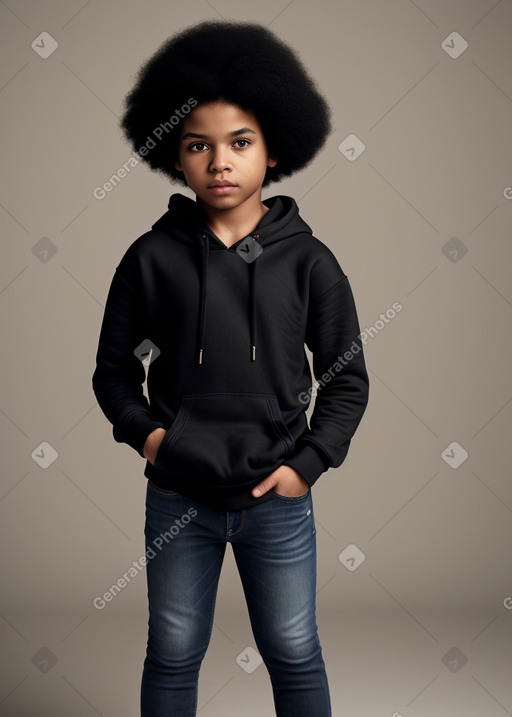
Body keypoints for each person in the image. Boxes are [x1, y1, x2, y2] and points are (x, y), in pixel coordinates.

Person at [92, 20, 369, 717]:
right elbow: (112, 371)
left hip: (276, 497)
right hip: (178, 495)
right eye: (199, 145)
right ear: (176, 158)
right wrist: (151, 438)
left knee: (294, 646)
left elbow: (348, 378)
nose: (220, 161)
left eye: (239, 142)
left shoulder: (312, 262)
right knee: (174, 649)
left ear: (273, 150)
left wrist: (308, 464)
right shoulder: (149, 260)